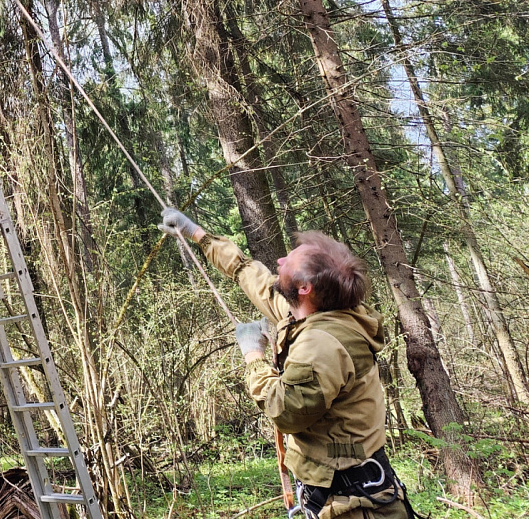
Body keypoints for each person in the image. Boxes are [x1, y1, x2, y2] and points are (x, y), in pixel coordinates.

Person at [158, 208, 416, 519]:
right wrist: (196, 232)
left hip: (356, 507)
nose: (279, 263)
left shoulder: (320, 344)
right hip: (342, 495)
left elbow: (285, 410)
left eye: (287, 262)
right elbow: (249, 273)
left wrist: (253, 354)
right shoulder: (317, 310)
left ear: (305, 287)